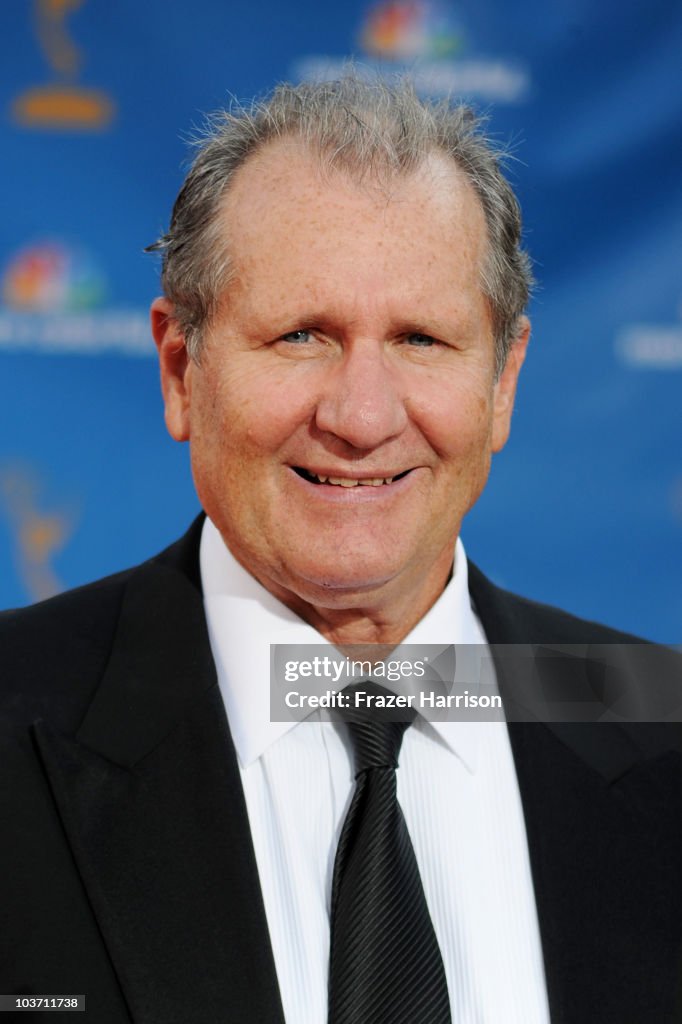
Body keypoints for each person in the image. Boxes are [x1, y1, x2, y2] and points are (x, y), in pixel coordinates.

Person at [1, 77, 680, 1024]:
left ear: (501, 383)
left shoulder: (661, 725)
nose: (361, 417)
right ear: (180, 370)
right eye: (301, 335)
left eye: (422, 338)